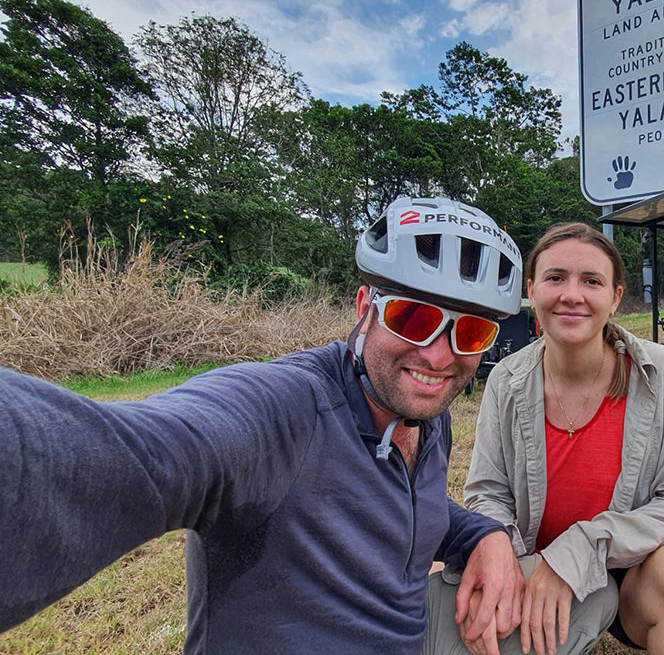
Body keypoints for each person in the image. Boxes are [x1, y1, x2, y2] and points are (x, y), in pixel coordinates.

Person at [0, 196, 527, 654]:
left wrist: (484, 535)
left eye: (472, 333)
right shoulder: (287, 407)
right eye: (412, 318)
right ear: (366, 306)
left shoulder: (426, 419)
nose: (438, 356)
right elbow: (142, 454)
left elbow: (416, 509)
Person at [427, 222, 664, 655]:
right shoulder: (505, 380)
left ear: (614, 297)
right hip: (533, 570)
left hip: (632, 575)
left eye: (591, 281)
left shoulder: (661, 374)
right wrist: (500, 555)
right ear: (532, 291)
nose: (571, 294)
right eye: (555, 278)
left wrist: (583, 546)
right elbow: (488, 495)